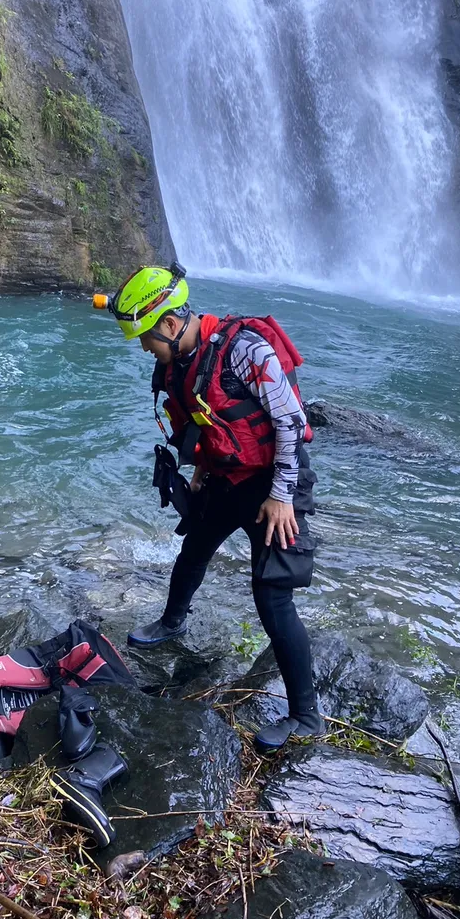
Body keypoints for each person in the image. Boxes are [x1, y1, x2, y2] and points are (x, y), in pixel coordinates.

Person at [94, 263, 323, 752]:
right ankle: (172, 621)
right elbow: (200, 417)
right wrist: (200, 467)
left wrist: (281, 497)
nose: (143, 349)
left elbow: (290, 422)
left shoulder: (246, 351)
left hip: (272, 484)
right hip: (224, 476)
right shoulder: (179, 360)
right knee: (194, 546)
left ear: (172, 326)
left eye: (146, 339)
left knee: (272, 595)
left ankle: (307, 716)